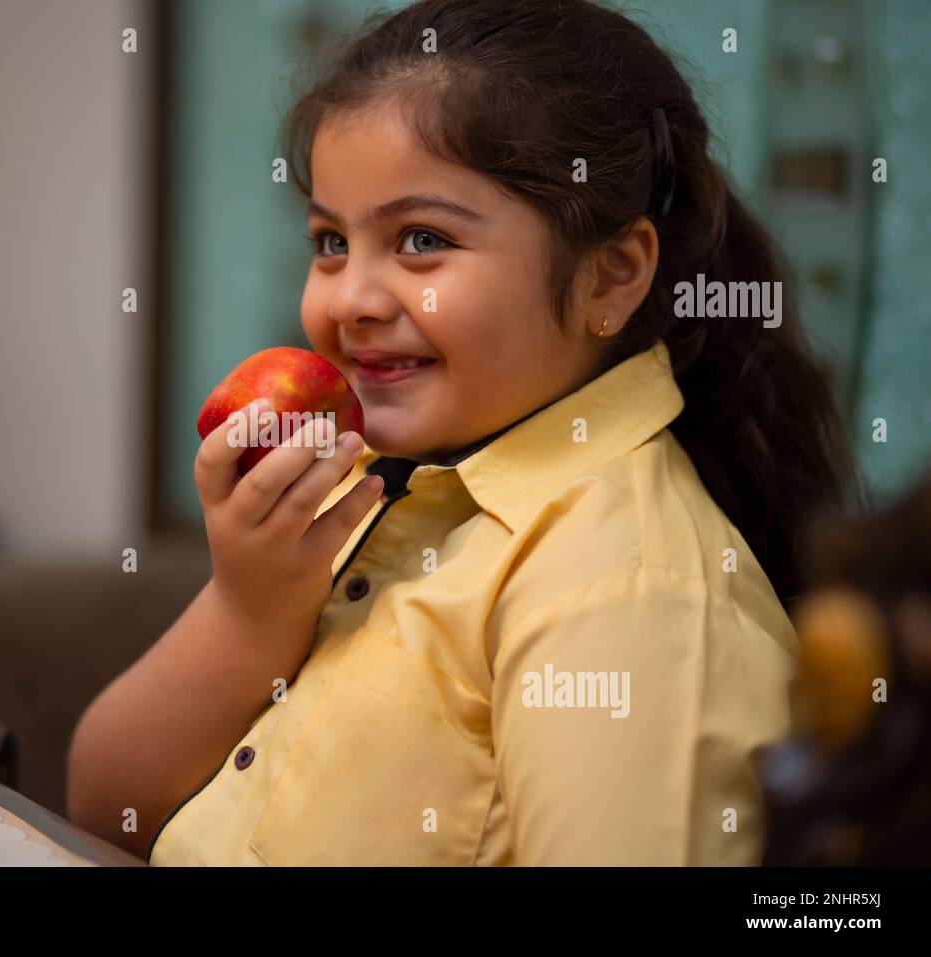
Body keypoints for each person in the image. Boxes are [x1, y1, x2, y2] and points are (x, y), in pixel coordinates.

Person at [67, 0, 858, 865]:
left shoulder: (624, 591)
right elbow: (106, 811)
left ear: (611, 277)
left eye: (421, 239)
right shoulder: (368, 482)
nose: (351, 299)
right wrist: (248, 609)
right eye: (331, 241)